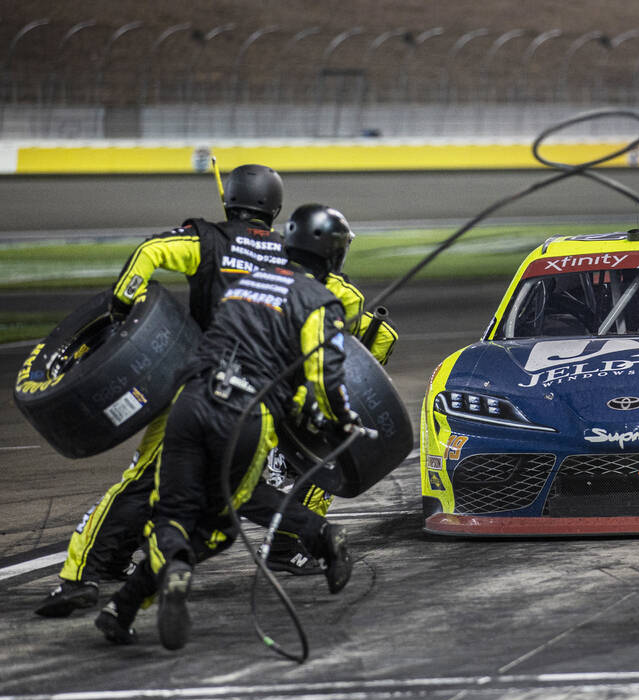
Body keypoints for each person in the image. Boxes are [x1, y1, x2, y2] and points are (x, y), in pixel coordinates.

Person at [35, 165, 396, 616]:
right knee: (251, 489)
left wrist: (122, 309)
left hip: (197, 385)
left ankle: (84, 575)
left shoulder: (209, 241)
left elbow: (150, 251)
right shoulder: (295, 265)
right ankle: (303, 541)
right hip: (262, 403)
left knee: (153, 483)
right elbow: (356, 320)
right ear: (276, 208)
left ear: (232, 201)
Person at [94, 204, 362, 649]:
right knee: (219, 523)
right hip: (246, 414)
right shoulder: (321, 302)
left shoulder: (246, 285)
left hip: (191, 400)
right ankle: (319, 536)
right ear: (332, 255)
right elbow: (323, 379)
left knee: (173, 514)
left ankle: (125, 605)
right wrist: (341, 419)